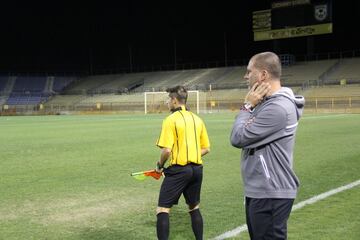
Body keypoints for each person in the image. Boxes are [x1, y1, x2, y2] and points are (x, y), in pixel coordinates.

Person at [230, 52, 305, 240]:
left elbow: (238, 137)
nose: (245, 76)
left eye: (249, 72)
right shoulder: (266, 104)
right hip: (262, 190)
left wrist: (247, 107)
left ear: (263, 75)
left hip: (271, 191)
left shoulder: (278, 108)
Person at [155, 85, 210, 240]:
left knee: (163, 209)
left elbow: (166, 150)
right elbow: (206, 148)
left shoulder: (170, 120)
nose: (167, 102)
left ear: (174, 100)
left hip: (179, 170)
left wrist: (159, 166)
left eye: (168, 99)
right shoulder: (197, 119)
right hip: (197, 170)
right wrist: (191, 155)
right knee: (194, 207)